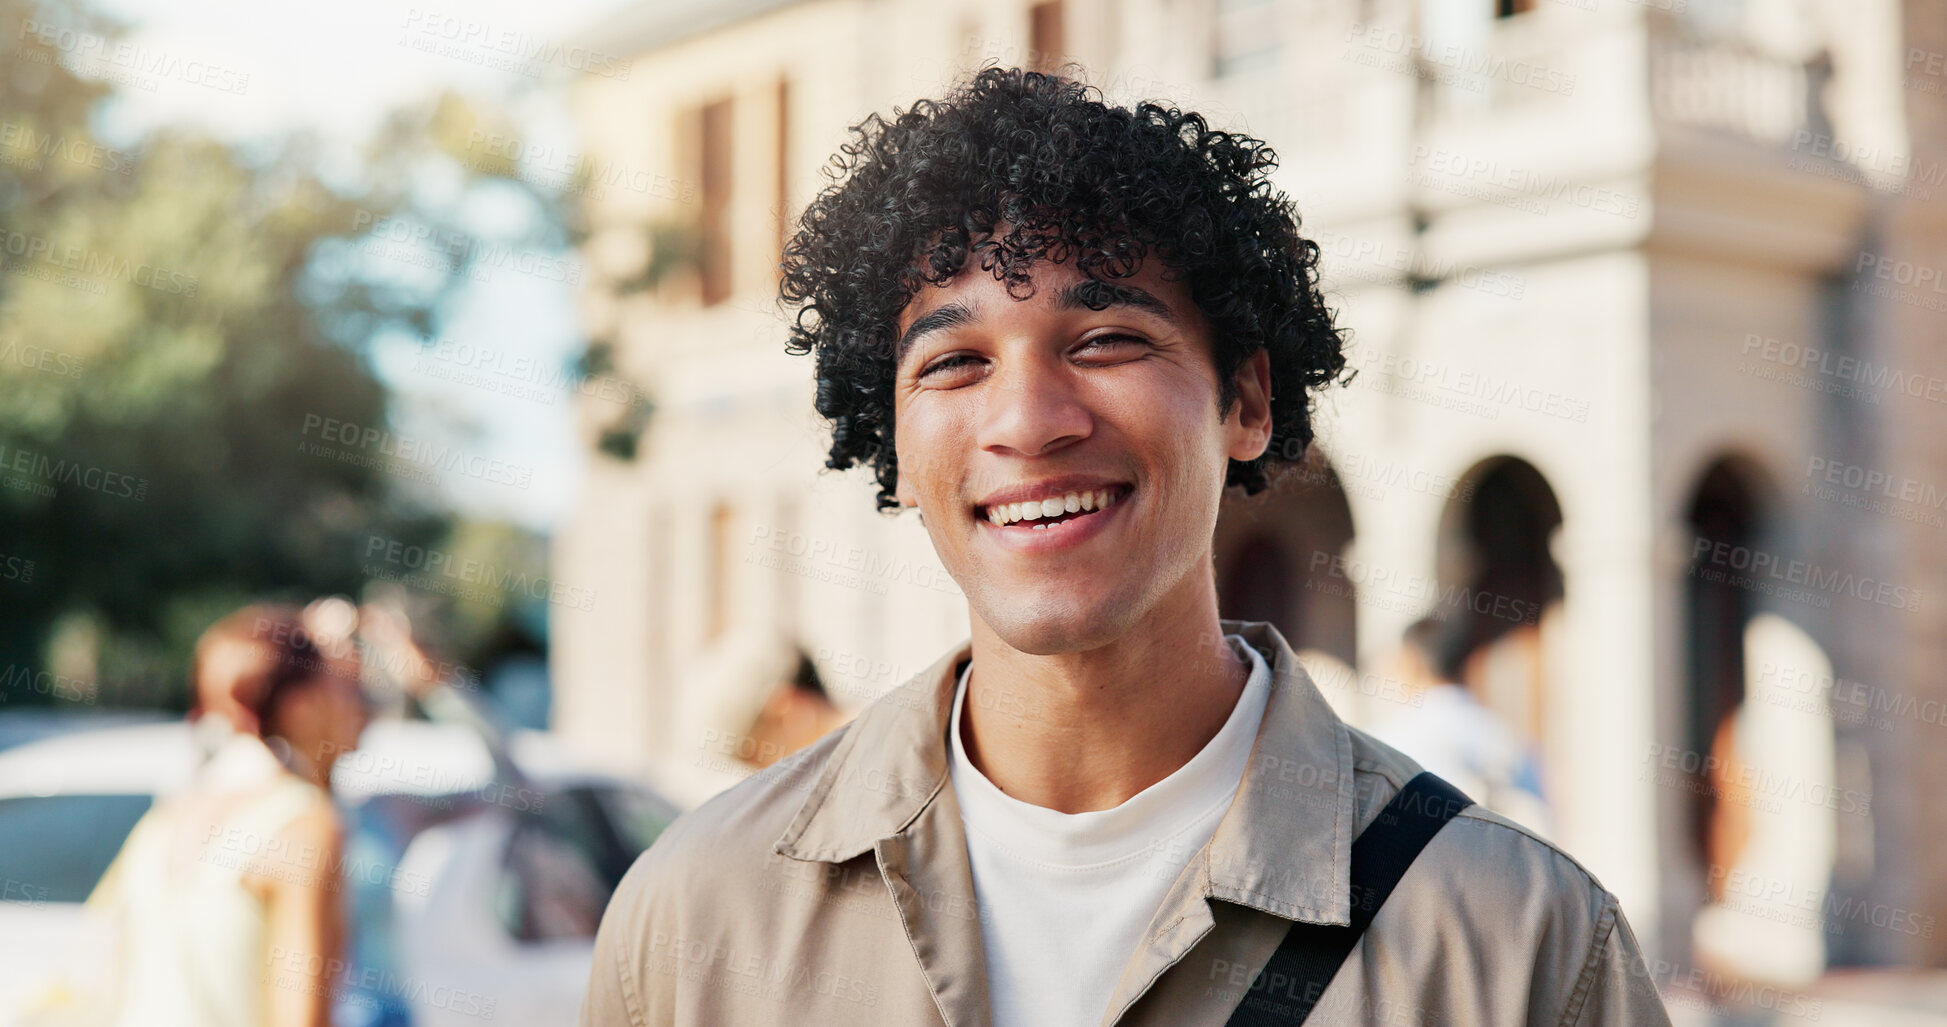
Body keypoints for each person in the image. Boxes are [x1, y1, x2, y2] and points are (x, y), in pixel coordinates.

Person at [582, 68, 1671, 1026]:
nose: (1028, 421)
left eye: (1105, 339)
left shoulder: (1518, 944)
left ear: (1247, 400)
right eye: (953, 362)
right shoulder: (698, 917)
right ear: (895, 444)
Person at [91, 603, 369, 1027]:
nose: (361, 711)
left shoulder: (173, 813)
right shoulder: (303, 826)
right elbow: (301, 1018)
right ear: (302, 707)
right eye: (346, 691)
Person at [1363, 615, 1554, 837]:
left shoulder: (1385, 741)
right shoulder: (1506, 739)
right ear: (1470, 662)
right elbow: (1541, 826)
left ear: (1411, 662)